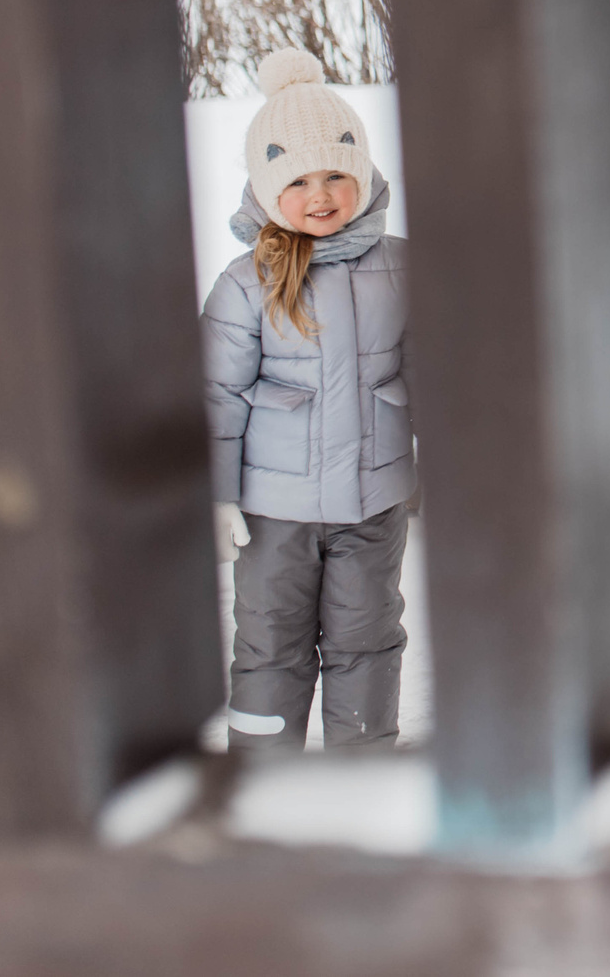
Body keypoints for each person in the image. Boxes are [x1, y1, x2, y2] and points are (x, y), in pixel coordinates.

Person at [202, 48, 414, 751]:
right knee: (269, 648)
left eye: (336, 174)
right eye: (297, 178)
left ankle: (362, 770)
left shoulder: (401, 267)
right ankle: (264, 782)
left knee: (367, 643)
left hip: (372, 505)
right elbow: (217, 395)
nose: (320, 193)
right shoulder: (246, 283)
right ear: (266, 189)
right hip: (272, 517)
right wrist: (217, 494)